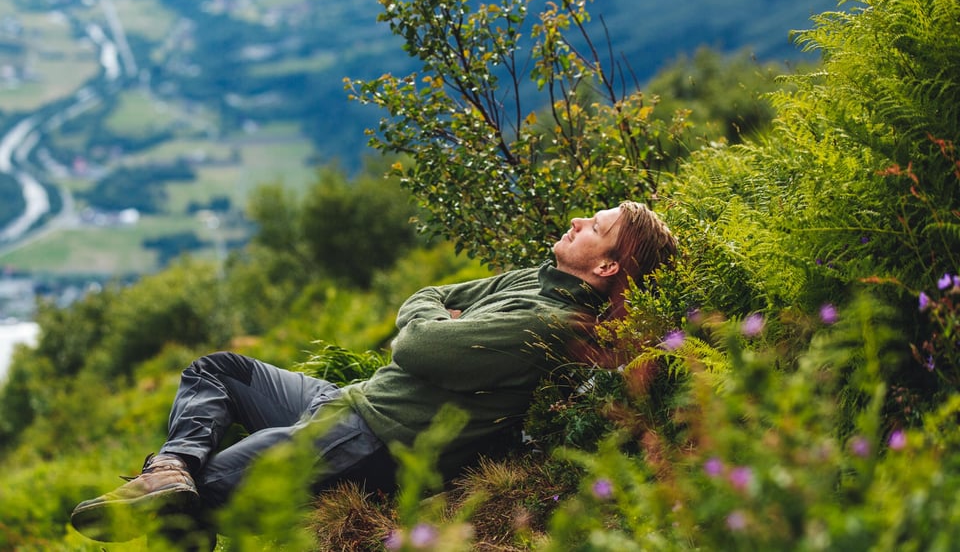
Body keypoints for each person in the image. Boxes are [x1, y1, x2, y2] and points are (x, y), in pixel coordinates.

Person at [70, 201, 676, 545]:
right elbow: (435, 294)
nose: (576, 222)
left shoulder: (548, 322)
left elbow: (415, 343)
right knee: (218, 370)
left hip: (372, 438)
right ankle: (170, 466)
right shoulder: (532, 281)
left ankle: (177, 491)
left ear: (605, 265)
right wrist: (436, 313)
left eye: (594, 228)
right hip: (349, 402)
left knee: (201, 501)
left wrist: (433, 318)